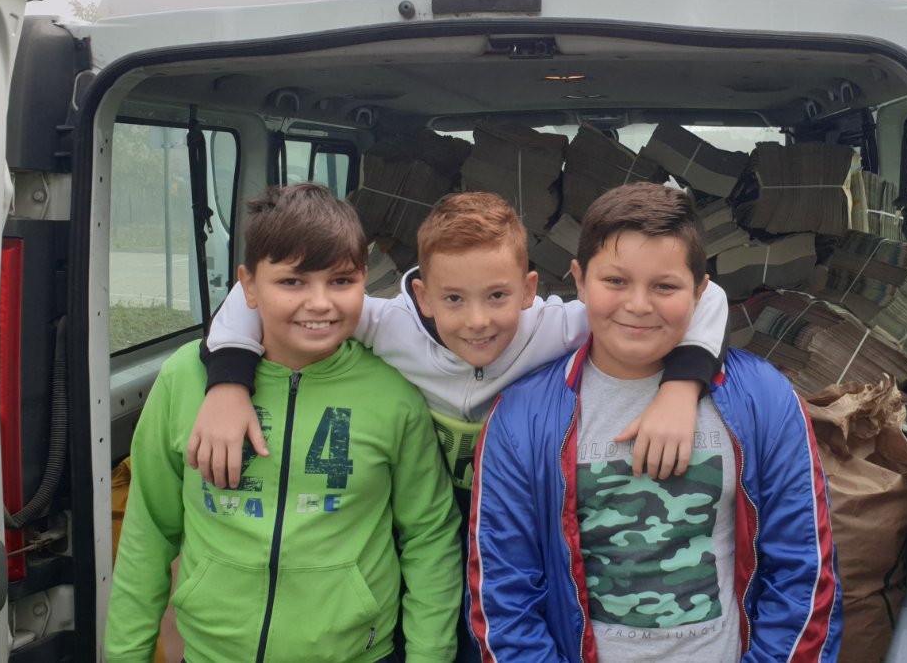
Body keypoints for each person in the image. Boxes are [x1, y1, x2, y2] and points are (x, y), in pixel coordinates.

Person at [468, 182, 842, 662]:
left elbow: (804, 574)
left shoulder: (764, 400)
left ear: (701, 292)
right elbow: (504, 600)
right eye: (615, 281)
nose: (639, 305)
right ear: (579, 280)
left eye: (664, 286)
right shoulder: (521, 419)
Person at [105, 183, 460, 663]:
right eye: (293, 282)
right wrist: (125, 655)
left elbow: (429, 537)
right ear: (248, 286)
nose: (320, 302)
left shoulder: (394, 392)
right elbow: (149, 532)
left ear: (364, 280)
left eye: (341, 281)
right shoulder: (184, 380)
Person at [191, 192, 730, 495]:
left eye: (497, 295)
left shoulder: (558, 326)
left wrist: (680, 390)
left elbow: (707, 297)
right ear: (422, 296)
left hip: (512, 514)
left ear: (529, 290)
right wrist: (228, 387)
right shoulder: (387, 324)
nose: (477, 321)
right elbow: (253, 293)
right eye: (453, 299)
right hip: (424, 515)